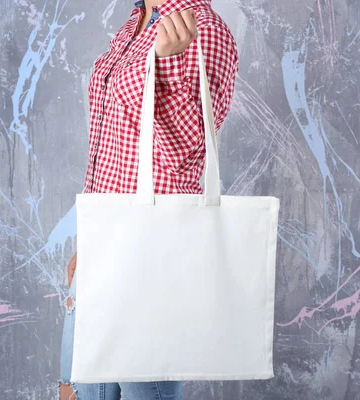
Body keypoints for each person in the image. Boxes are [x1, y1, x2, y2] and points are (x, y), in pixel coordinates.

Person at [59, 0, 239, 398]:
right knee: (78, 393)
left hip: (148, 260)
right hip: (102, 247)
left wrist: (163, 68)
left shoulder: (202, 28)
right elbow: (113, 144)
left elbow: (185, 153)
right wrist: (88, 239)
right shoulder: (135, 22)